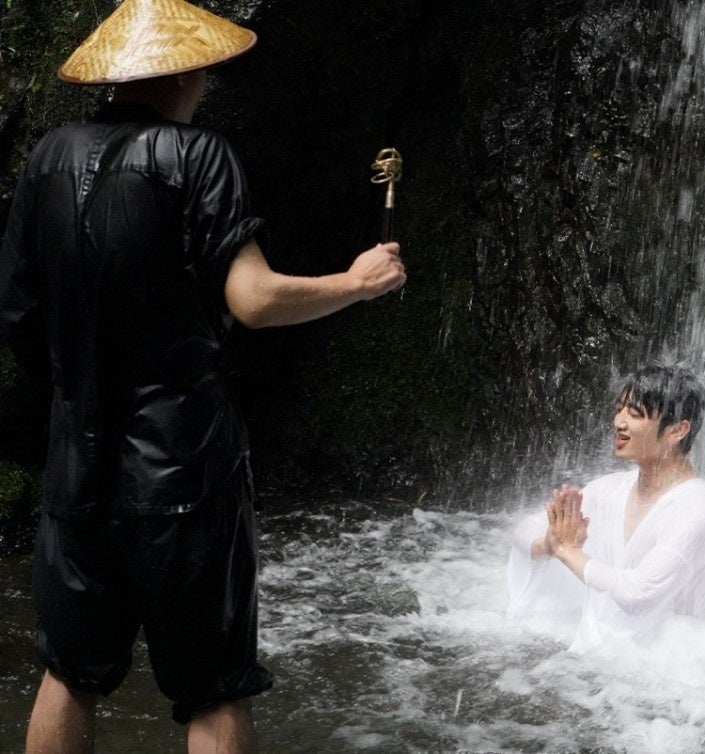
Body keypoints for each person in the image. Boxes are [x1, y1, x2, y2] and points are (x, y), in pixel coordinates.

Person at [0, 1, 406, 751]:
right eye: (205, 71)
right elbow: (253, 301)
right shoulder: (198, 155)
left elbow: (19, 315)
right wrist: (355, 283)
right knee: (215, 690)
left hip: (74, 467)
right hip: (183, 469)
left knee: (68, 672)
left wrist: (76, 390)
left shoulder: (47, 157)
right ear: (183, 73)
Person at [507, 365, 705, 653]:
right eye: (618, 410)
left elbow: (638, 593)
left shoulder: (698, 510)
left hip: (681, 665)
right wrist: (548, 545)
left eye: (634, 414)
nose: (618, 422)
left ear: (677, 430)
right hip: (618, 663)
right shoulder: (611, 489)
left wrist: (568, 551)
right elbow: (525, 529)